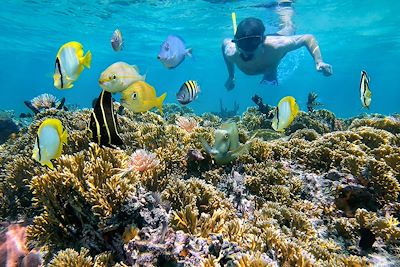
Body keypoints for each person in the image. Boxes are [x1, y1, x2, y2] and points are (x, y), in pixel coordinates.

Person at [222, 1, 333, 90]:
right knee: (270, 68)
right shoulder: (231, 51)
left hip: (276, 43)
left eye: (252, 48)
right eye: (244, 48)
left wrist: (319, 61)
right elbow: (224, 44)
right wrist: (231, 75)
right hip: (269, 61)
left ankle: (285, 9)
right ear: (236, 43)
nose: (247, 53)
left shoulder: (277, 45)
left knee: (289, 27)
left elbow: (307, 38)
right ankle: (270, 75)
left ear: (262, 41)